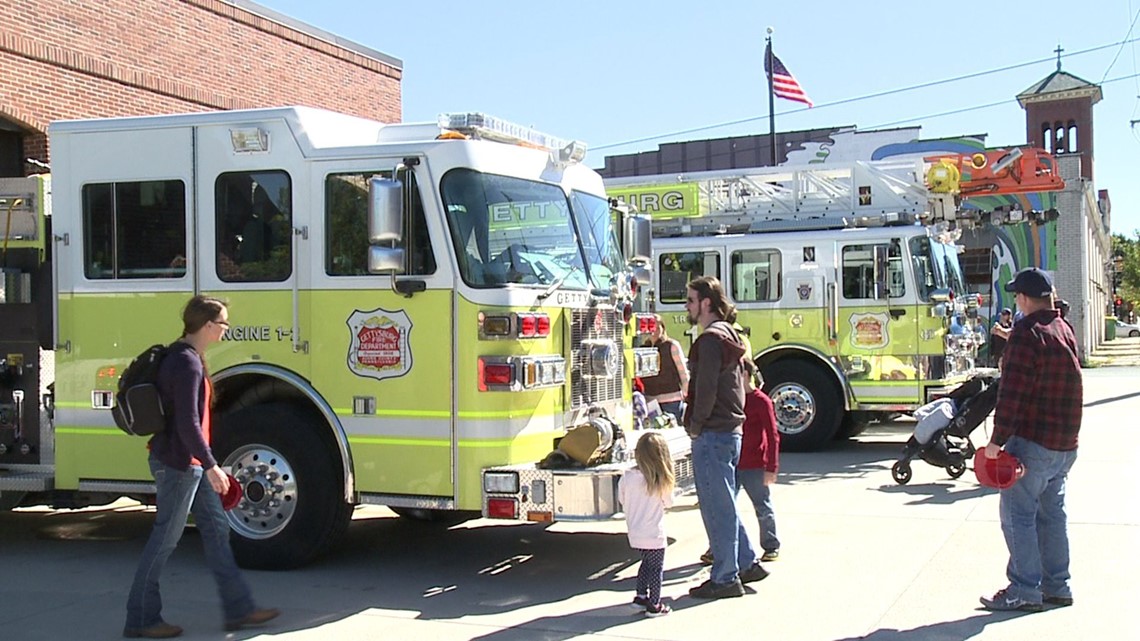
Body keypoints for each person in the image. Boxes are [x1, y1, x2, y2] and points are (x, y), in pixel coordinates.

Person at [125, 296, 279, 638]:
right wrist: (211, 466)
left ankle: (239, 609)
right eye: (223, 324)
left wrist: (206, 465)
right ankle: (141, 618)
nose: (226, 330)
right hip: (180, 465)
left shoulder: (182, 356)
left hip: (187, 463)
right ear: (207, 326)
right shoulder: (186, 364)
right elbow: (188, 423)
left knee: (216, 531)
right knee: (164, 540)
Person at [979, 268, 1082, 612]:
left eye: (1017, 296)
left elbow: (1014, 392)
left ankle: (1024, 589)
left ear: (1023, 299)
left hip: (1033, 442)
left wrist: (997, 441)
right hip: (1065, 445)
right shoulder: (1064, 329)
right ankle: (1058, 586)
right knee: (1053, 515)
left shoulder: (1026, 333)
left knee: (1018, 516)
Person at [681, 276, 767, 600]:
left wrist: (695, 424)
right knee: (725, 503)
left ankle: (725, 578)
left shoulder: (708, 341)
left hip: (713, 434)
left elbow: (704, 391)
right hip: (731, 431)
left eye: (690, 301)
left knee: (716, 509)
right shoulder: (730, 334)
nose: (687, 307)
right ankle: (747, 563)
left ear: (706, 303)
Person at [700, 362, 782, 565]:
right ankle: (718, 547)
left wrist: (772, 467)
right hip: (732, 462)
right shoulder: (731, 400)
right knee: (725, 508)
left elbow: (773, 436)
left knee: (762, 506)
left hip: (755, 464)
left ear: (745, 375)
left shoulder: (761, 401)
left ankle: (771, 545)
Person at [618, 432, 676, 617]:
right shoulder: (659, 480)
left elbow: (621, 499)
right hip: (654, 534)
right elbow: (669, 502)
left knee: (645, 563)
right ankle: (655, 604)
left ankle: (640, 595)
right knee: (656, 569)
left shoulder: (627, 477)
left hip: (634, 532)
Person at [640, 316, 689, 420]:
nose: (655, 331)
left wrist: (686, 393)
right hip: (651, 401)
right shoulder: (642, 350)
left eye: (658, 328)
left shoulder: (672, 346)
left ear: (663, 328)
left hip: (672, 400)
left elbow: (683, 372)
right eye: (652, 328)